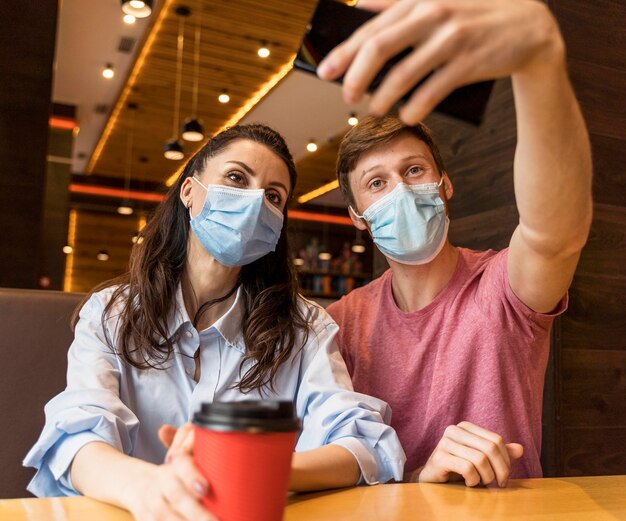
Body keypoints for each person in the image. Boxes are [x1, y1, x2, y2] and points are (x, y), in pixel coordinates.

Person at [24, 124, 405, 521]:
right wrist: (146, 487)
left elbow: (359, 443)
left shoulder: (305, 327)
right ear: (190, 191)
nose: (255, 201)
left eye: (273, 196)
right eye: (236, 177)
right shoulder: (112, 313)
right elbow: (79, 435)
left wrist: (256, 468)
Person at [319, 0, 593, 486]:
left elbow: (556, 237)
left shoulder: (501, 289)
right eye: (377, 183)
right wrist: (423, 478)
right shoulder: (342, 323)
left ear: (444, 185)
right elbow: (338, 466)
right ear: (358, 217)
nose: (400, 190)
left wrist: (540, 64)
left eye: (413, 170)